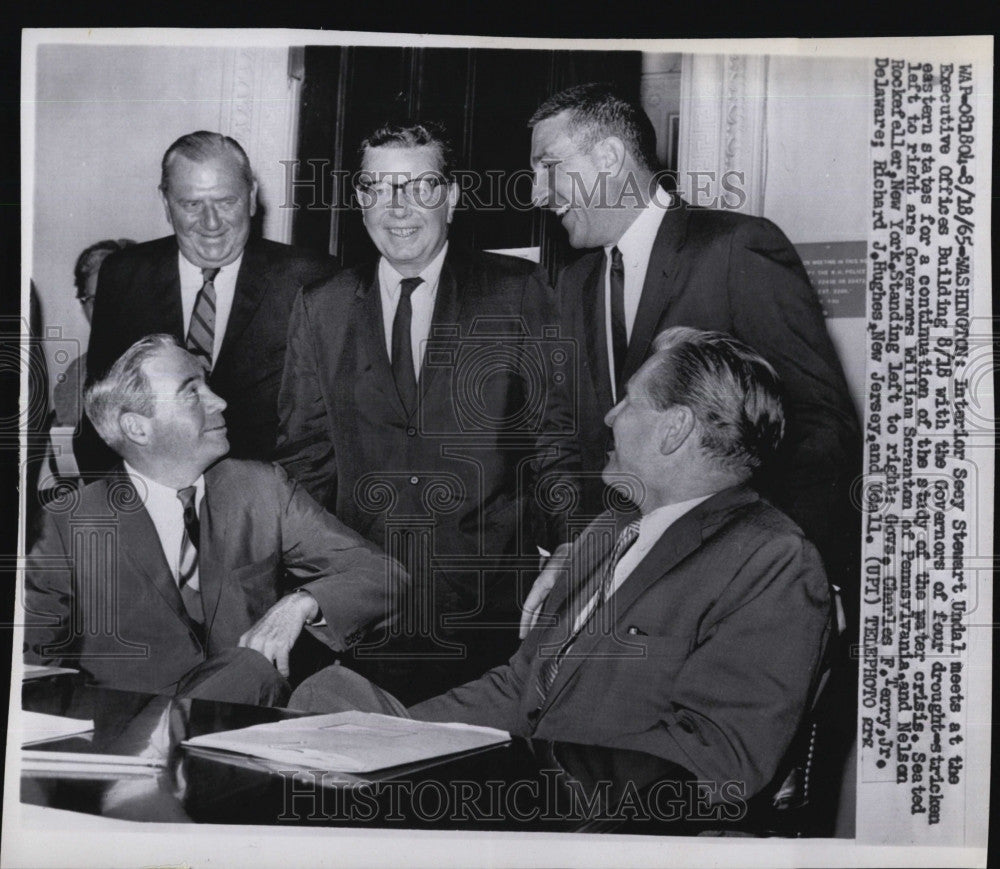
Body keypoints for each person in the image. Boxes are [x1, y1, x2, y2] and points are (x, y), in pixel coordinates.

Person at [291, 327, 833, 805]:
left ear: (676, 430)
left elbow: (719, 759)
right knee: (327, 708)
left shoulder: (773, 561)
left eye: (630, 401)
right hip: (523, 792)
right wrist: (398, 737)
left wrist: (520, 783)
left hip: (598, 825)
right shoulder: (608, 531)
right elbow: (521, 685)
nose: (610, 416)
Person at [527, 83, 861, 625]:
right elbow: (563, 437)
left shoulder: (736, 247)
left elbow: (820, 430)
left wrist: (790, 575)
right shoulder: (573, 284)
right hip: (616, 592)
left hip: (734, 588)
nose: (540, 194)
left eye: (550, 167)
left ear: (609, 157)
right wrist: (580, 550)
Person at [275, 121, 577, 703]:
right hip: (366, 616)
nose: (398, 209)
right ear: (359, 200)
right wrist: (318, 587)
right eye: (379, 188)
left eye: (420, 187)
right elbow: (303, 462)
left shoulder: (517, 290)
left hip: (492, 616)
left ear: (453, 197)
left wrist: (567, 551)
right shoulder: (321, 307)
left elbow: (553, 441)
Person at [25, 335, 407, 706]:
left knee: (328, 688)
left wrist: (301, 603)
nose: (220, 402)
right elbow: (33, 670)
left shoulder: (260, 489)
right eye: (192, 392)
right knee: (251, 668)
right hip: (133, 742)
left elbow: (386, 576)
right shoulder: (68, 524)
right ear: (137, 427)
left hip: (246, 738)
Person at [81, 131, 336, 470]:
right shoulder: (124, 276)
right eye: (192, 204)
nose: (211, 223)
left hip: (269, 502)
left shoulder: (309, 278)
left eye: (226, 202)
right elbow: (102, 415)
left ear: (252, 196)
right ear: (166, 203)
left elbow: (326, 432)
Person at [52, 238, 135, 429]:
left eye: (114, 296)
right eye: (94, 300)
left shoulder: (169, 363)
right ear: (83, 305)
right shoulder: (75, 374)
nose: (103, 310)